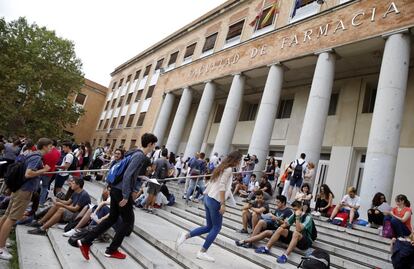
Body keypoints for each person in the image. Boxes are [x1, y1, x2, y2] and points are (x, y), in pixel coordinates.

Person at [78, 133, 157, 260]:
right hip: (121, 192)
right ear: (150, 144)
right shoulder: (140, 156)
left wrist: (139, 177)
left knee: (112, 219)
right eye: (154, 145)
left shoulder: (134, 152)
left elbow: (129, 174)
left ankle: (86, 241)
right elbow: (127, 175)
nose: (154, 147)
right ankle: (112, 250)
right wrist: (126, 196)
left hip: (116, 189)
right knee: (127, 222)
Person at [175, 151, 242, 262]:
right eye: (239, 160)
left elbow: (213, 182)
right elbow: (222, 186)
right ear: (235, 160)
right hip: (215, 200)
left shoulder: (222, 167)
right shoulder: (228, 169)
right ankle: (202, 252)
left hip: (208, 198)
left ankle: (185, 236)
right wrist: (223, 204)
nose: (239, 163)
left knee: (209, 227)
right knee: (216, 227)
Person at [0, 138, 52, 260]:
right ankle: (1, 248)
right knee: (12, 218)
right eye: (50, 146)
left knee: (7, 215)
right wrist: (44, 170)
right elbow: (28, 174)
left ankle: (1, 241)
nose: (51, 149)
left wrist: (40, 171)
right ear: (44, 146)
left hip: (19, 189)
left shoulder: (33, 155)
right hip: (24, 191)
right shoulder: (36, 157)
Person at [146, 148, 169, 213]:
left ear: (161, 153)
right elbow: (168, 173)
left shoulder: (157, 160)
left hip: (154, 178)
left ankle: (146, 206)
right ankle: (151, 207)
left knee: (151, 193)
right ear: (167, 154)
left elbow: (153, 169)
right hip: (161, 180)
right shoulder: (167, 162)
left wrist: (149, 172)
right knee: (155, 194)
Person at [39, 139, 61, 206]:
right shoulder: (58, 153)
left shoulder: (46, 151)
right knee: (45, 187)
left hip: (40, 170)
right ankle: (41, 202)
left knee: (35, 184)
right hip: (50, 172)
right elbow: (56, 162)